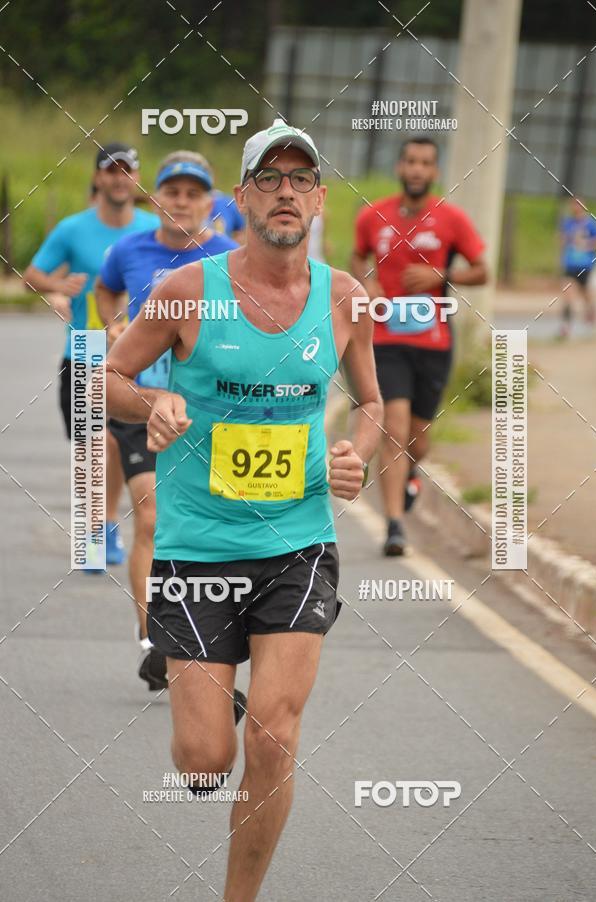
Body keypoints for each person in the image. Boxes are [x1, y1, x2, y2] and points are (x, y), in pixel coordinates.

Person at [105, 118, 382, 899]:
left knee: (273, 737)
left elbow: (371, 401)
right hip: (197, 547)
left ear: (319, 199)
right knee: (204, 762)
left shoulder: (346, 298)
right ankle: (204, 700)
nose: (285, 191)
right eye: (269, 178)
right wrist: (154, 401)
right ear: (242, 198)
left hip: (298, 542)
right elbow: (108, 378)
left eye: (301, 179)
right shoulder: (188, 291)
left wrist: (357, 452)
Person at [96, 151, 237, 690]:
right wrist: (115, 325)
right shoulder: (129, 250)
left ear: (210, 202)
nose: (181, 201)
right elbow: (106, 288)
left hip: (207, 411)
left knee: (209, 525)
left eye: (193, 193)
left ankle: (204, 634)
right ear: (155, 198)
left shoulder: (231, 258)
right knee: (151, 515)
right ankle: (152, 638)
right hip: (142, 399)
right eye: (172, 192)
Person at [23, 142, 160, 566]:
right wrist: (56, 287)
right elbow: (32, 275)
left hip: (139, 357)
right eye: (111, 170)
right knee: (94, 445)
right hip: (85, 349)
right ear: (99, 178)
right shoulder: (72, 229)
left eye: (127, 170)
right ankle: (98, 529)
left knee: (116, 443)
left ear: (137, 178)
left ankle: (106, 522)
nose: (120, 178)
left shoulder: (153, 228)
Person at [351, 135, 487, 556]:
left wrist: (441, 275)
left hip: (433, 341)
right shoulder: (373, 216)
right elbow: (357, 257)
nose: (416, 169)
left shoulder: (451, 219)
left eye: (425, 163)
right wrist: (367, 281)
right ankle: (394, 526)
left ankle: (409, 473)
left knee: (418, 440)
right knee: (392, 429)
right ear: (400, 167)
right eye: (410, 161)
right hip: (386, 338)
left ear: (435, 171)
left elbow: (482, 271)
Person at [558, 196, 596, 338]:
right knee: (568, 295)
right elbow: (561, 240)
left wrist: (586, 244)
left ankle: (592, 313)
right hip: (570, 265)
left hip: (585, 265)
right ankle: (566, 327)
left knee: (587, 296)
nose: (575, 207)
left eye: (578, 205)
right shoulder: (568, 223)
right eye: (574, 205)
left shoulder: (590, 224)